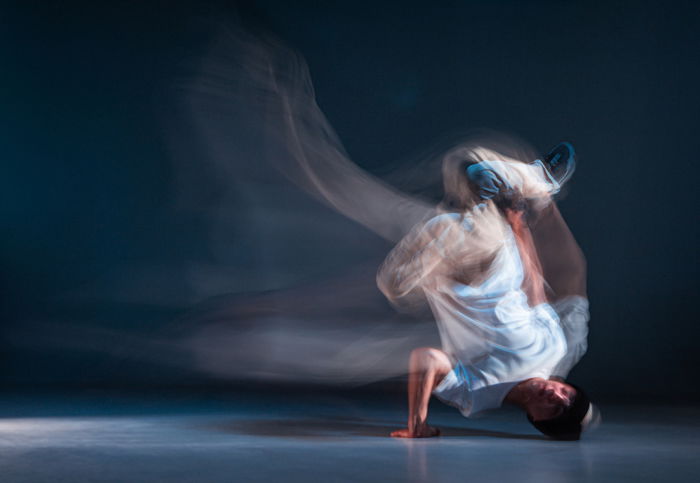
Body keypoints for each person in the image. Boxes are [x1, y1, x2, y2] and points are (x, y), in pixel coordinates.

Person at [377, 142, 598, 440]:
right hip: (494, 260)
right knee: (467, 161)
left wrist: (417, 422)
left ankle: (505, 192)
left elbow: (426, 358)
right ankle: (534, 182)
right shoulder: (552, 351)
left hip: (443, 269)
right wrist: (519, 227)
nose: (557, 397)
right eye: (567, 395)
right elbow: (533, 287)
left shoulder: (475, 397)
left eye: (557, 409)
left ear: (536, 419)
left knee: (393, 284)